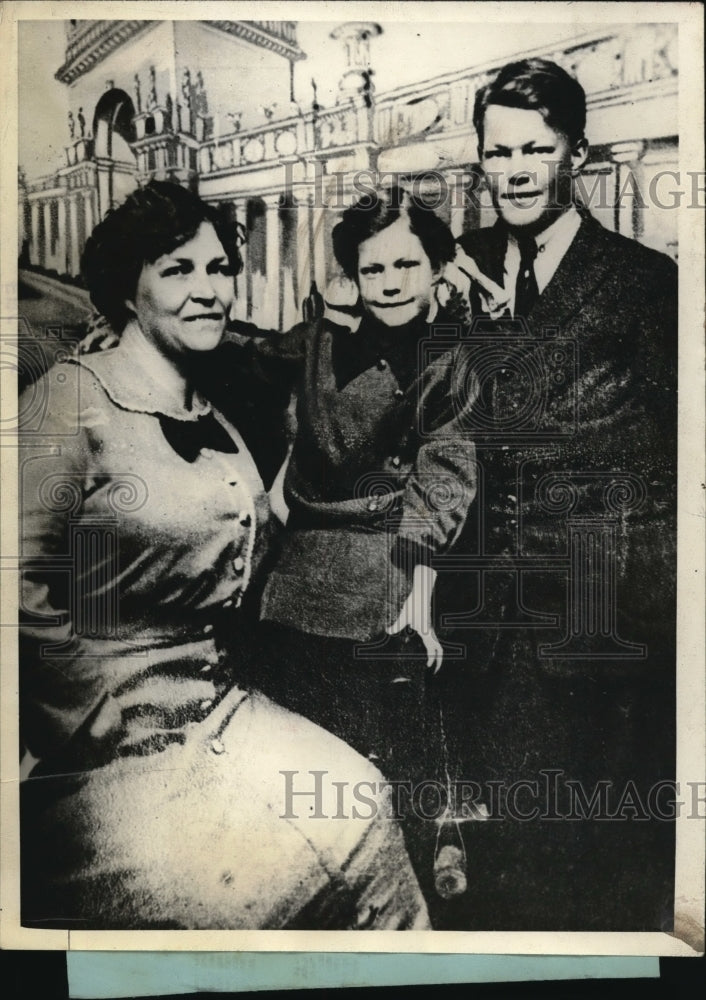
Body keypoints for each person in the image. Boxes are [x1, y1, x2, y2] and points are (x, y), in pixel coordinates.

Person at [18, 180, 430, 931]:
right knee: (234, 893)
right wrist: (90, 716)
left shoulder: (215, 416)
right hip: (105, 743)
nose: (209, 290)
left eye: (218, 268)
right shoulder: (68, 402)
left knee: (363, 803)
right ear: (127, 291)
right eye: (178, 271)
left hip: (222, 709)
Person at [439, 58, 678, 928]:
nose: (515, 170)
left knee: (604, 867)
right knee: (510, 856)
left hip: (603, 613)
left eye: (536, 149)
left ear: (577, 153)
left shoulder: (646, 283)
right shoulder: (457, 268)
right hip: (489, 615)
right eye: (498, 152)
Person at [228, 186, 478, 821]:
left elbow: (442, 480)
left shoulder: (449, 361)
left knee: (366, 752)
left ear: (438, 269)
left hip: (385, 560)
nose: (390, 284)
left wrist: (418, 601)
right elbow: (248, 357)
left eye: (407, 266)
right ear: (352, 275)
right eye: (373, 269)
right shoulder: (317, 340)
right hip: (297, 561)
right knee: (281, 739)